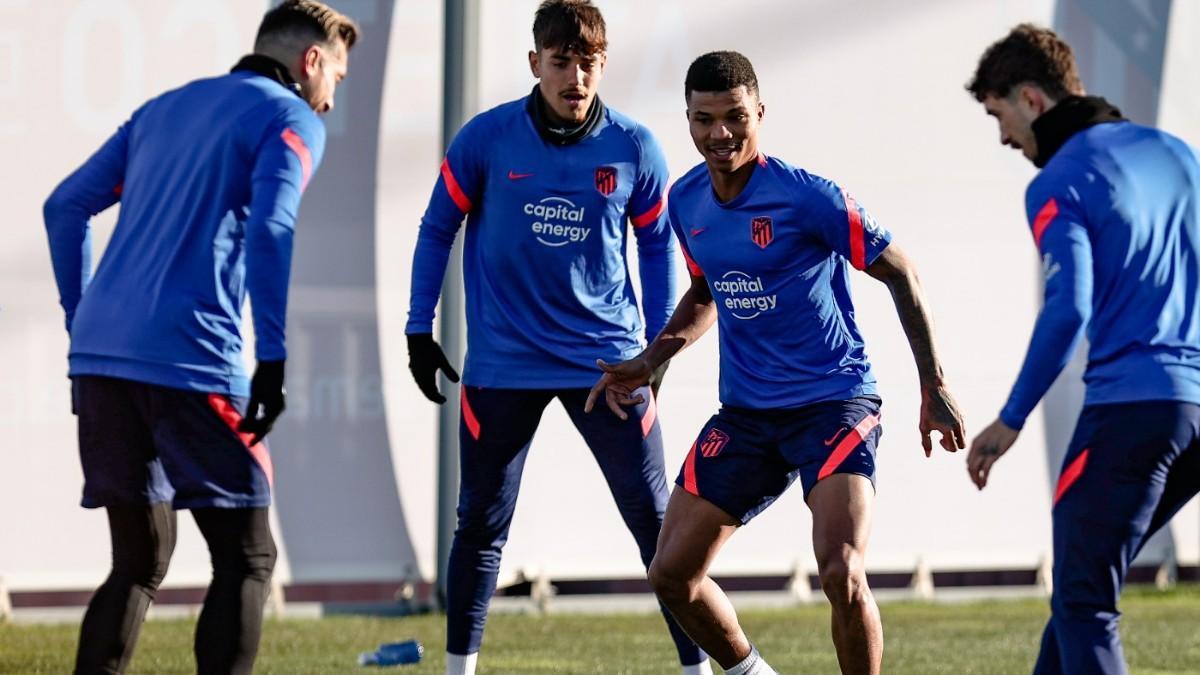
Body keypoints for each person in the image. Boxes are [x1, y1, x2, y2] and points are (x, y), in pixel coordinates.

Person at [587, 51, 966, 675]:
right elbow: (708, 289)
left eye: (735, 117)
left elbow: (903, 273)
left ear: (759, 113)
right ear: (688, 120)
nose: (720, 134)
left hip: (834, 404)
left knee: (842, 572)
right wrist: (653, 359)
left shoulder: (807, 197)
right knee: (671, 574)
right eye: (704, 120)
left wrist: (935, 385)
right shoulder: (686, 201)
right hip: (747, 416)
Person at [42, 2, 356, 672]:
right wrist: (271, 358)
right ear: (311, 62)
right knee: (247, 556)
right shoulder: (290, 116)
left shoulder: (164, 108)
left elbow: (64, 205)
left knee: (139, 559)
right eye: (336, 76)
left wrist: (83, 318)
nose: (332, 99)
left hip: (101, 360)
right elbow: (273, 227)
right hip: (192, 360)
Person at [405, 1, 708, 673]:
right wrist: (417, 328)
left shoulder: (632, 146)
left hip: (608, 366)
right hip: (503, 367)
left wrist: (653, 353)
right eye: (563, 62)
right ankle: (460, 672)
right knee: (480, 527)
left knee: (657, 524)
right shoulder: (485, 139)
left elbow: (658, 245)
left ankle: (697, 669)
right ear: (535, 62)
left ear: (604, 66)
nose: (576, 78)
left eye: (590, 63)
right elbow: (436, 228)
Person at [964, 24, 1200, 675]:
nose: (1004, 138)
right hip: (1196, 408)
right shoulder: (1180, 154)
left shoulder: (1058, 180)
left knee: (1084, 601)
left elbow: (1069, 308)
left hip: (1133, 412)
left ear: (1032, 99)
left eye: (999, 115)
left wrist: (1009, 418)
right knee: (1078, 587)